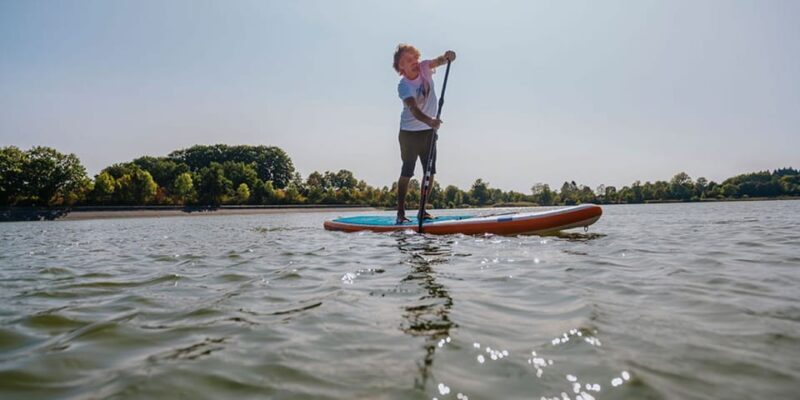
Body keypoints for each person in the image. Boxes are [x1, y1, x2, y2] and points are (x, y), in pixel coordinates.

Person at [392, 44, 456, 224]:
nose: (413, 62)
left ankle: (422, 210)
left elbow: (440, 60)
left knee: (430, 172)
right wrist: (430, 121)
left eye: (414, 58)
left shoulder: (425, 67)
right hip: (409, 133)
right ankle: (400, 213)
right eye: (407, 60)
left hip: (428, 132)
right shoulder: (403, 86)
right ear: (400, 67)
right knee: (407, 172)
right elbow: (413, 108)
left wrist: (448, 56)